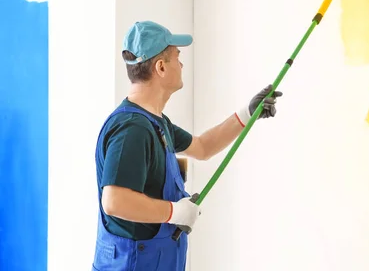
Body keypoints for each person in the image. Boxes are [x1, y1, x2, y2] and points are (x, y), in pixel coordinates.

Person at [92, 21, 282, 271]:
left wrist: (248, 113)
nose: (181, 65)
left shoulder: (155, 122)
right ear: (161, 67)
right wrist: (173, 212)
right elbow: (115, 201)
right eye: (176, 58)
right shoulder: (133, 129)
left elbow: (203, 147)